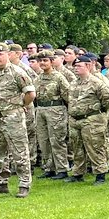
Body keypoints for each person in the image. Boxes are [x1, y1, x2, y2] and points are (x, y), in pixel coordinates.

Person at [0, 42, 36, 198]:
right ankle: (1, 183)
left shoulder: (17, 72)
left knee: (19, 152)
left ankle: (24, 184)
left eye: (0, 54)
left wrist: (20, 105)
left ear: (7, 54)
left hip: (13, 117)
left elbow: (31, 94)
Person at [66, 55, 109, 184]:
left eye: (79, 66)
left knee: (95, 147)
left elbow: (108, 101)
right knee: (77, 147)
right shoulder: (74, 83)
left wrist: (98, 114)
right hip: (75, 120)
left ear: (88, 66)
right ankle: (78, 173)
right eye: (75, 66)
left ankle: (100, 173)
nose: (76, 68)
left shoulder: (97, 82)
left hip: (92, 119)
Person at [33, 51, 70, 180]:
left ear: (52, 61)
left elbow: (68, 96)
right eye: (40, 61)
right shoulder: (38, 78)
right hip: (41, 110)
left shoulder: (59, 77)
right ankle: (49, 167)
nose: (42, 63)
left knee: (57, 140)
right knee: (44, 141)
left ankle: (62, 168)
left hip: (56, 110)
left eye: (45, 60)